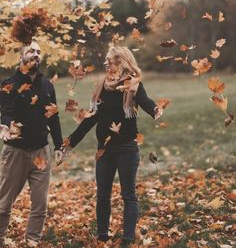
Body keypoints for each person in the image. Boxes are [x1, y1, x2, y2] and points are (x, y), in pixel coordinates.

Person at [63, 46, 163, 246]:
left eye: (110, 60)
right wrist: (70, 142)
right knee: (102, 195)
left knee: (129, 195)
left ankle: (127, 239)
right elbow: (91, 119)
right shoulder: (103, 86)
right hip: (104, 150)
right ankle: (102, 237)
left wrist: (155, 110)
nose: (106, 64)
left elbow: (143, 100)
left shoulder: (133, 85)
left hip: (127, 148)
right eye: (106, 60)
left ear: (121, 62)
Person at [0, 41, 64, 247]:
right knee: (3, 203)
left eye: (38, 51)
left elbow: (53, 117)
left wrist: (59, 146)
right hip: (15, 151)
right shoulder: (8, 84)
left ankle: (32, 241)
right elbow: (6, 111)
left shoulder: (47, 86)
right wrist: (6, 125)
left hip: (41, 152)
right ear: (21, 57)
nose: (35, 54)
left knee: (40, 205)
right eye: (31, 51)